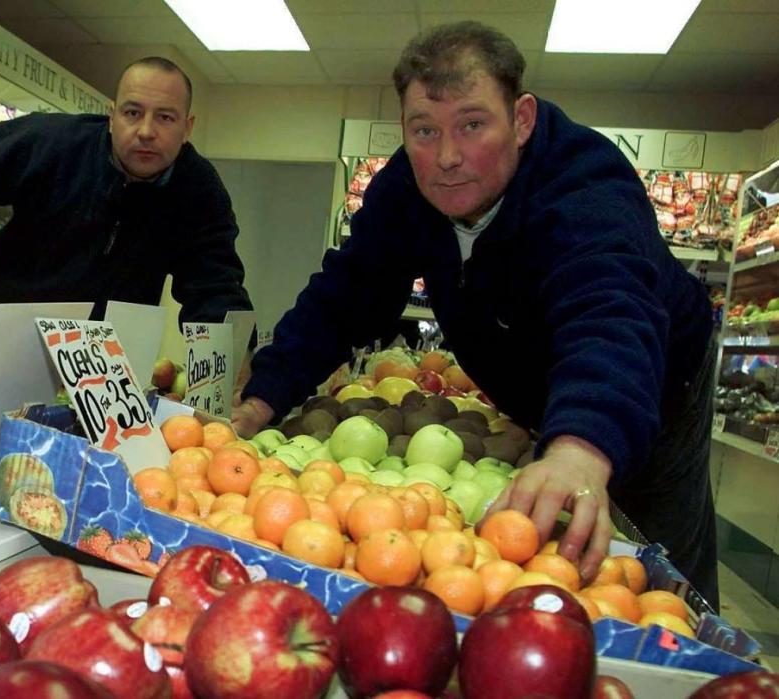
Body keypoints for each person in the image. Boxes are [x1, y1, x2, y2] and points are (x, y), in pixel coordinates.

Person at [231, 21, 718, 608]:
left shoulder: (585, 185)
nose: (448, 157)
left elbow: (608, 313)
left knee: (649, 575)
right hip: (540, 393)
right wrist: (261, 397)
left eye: (473, 124)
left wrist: (579, 448)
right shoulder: (405, 191)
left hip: (649, 383)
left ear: (522, 120)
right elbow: (345, 294)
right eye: (424, 131)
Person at [0, 56, 252, 364]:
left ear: (186, 128)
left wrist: (229, 359)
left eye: (165, 118)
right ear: (112, 115)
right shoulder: (52, 142)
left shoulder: (199, 189)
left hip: (95, 358)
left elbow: (214, 284)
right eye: (133, 113)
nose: (146, 131)